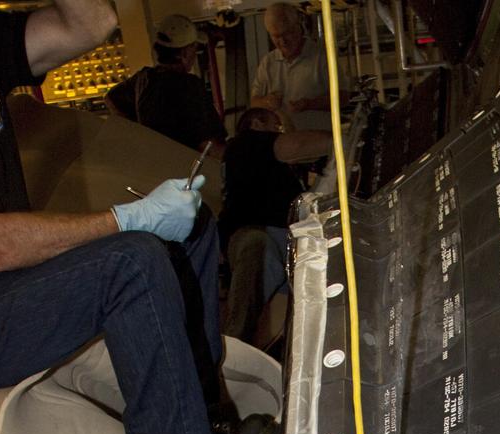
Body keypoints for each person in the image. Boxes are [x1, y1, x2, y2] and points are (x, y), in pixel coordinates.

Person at [0, 0, 277, 434]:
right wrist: (123, 221)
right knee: (131, 260)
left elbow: (90, 23)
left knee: (187, 230)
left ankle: (203, 428)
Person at [220, 107, 331, 343]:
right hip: (259, 233)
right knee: (256, 256)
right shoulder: (247, 142)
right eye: (276, 126)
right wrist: (342, 137)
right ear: (257, 124)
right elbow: (295, 147)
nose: (279, 133)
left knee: (280, 326)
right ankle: (233, 349)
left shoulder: (259, 162)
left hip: (283, 243)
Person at [105, 14, 226, 157]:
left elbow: (111, 98)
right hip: (186, 169)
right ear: (184, 53)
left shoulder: (143, 78)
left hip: (157, 165)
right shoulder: (189, 87)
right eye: (194, 47)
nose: (195, 53)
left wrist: (138, 134)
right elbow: (209, 147)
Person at [251, 2, 343, 131]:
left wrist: (309, 104)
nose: (283, 42)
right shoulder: (268, 62)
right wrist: (267, 102)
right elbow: (254, 102)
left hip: (318, 143)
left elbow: (343, 98)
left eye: (287, 33)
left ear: (299, 26)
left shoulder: (322, 57)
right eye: (276, 36)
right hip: (285, 146)